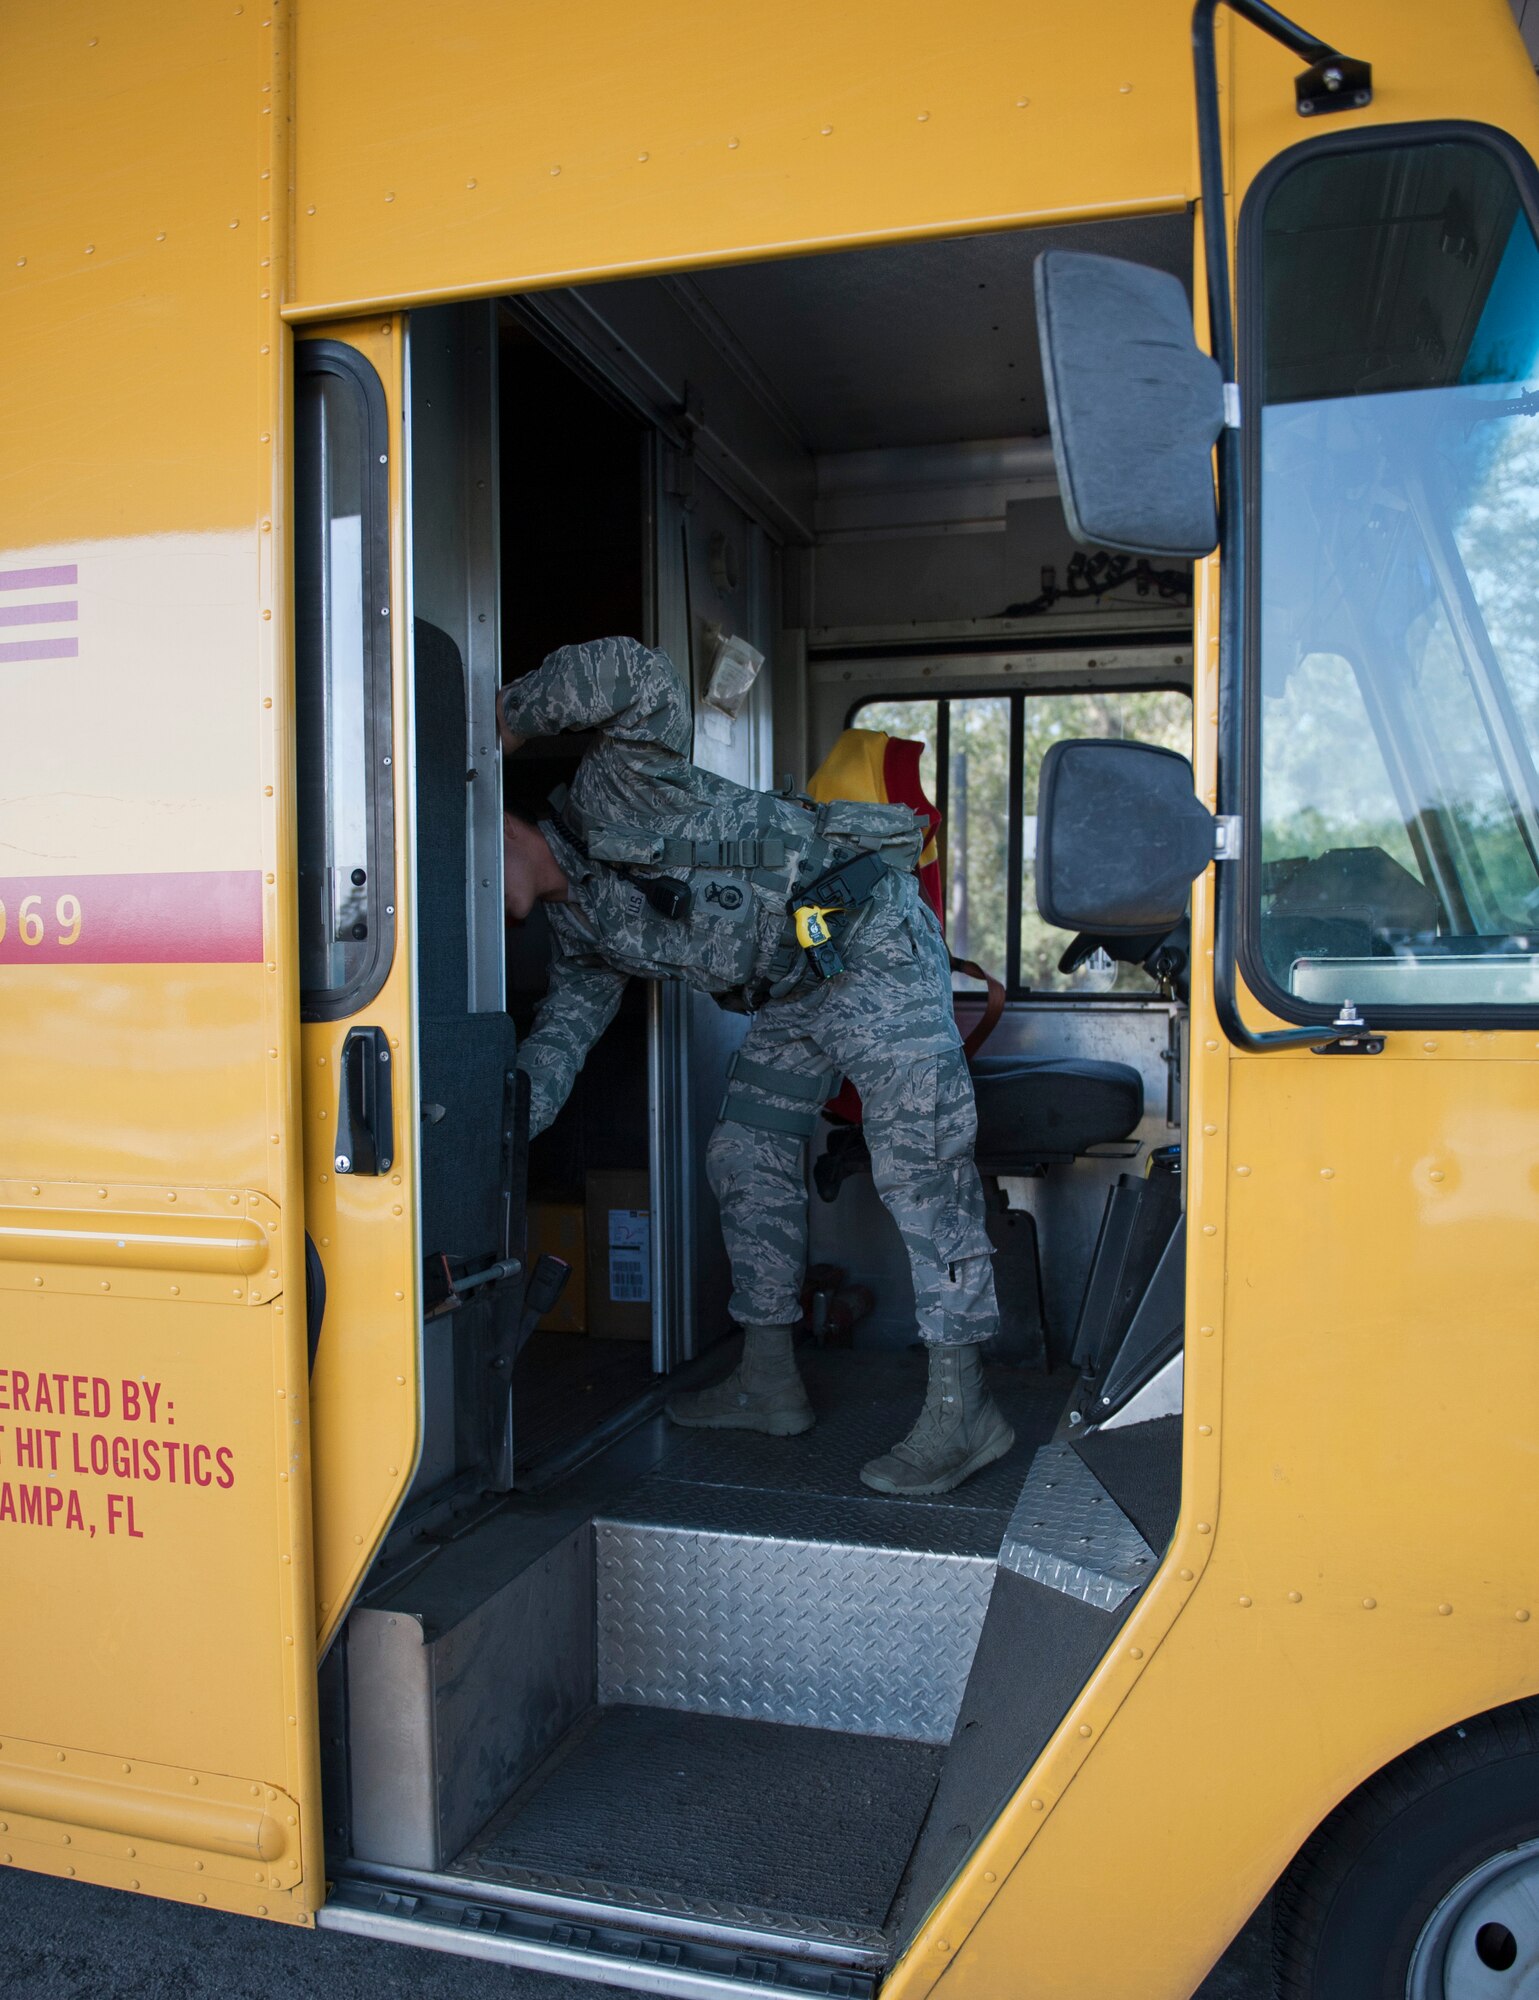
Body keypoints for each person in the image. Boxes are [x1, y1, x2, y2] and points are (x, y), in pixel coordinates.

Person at [499, 635, 1013, 1496]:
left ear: (506, 826)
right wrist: (500, 1125)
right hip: (796, 992)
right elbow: (559, 1043)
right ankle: (768, 1380)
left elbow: (636, 672)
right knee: (743, 1152)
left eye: (474, 862)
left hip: (870, 944)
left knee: (919, 1164)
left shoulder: (613, 788)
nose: (476, 891)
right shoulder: (580, 936)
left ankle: (965, 1410)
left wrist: (506, 715)